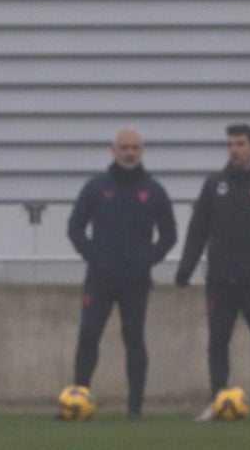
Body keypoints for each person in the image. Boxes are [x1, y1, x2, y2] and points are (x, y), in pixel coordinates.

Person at [176, 123, 250, 423]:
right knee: (217, 341)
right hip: (220, 281)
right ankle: (217, 399)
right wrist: (185, 268)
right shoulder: (215, 184)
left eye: (240, 143)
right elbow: (198, 229)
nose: (234, 150)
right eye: (230, 144)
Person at [66, 129, 177, 418]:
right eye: (124, 147)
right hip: (100, 278)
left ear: (142, 151)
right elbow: (75, 228)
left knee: (134, 338)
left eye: (135, 148)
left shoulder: (153, 190)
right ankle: (78, 400)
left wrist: (147, 260)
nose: (129, 153)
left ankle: (135, 408)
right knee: (89, 335)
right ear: (113, 150)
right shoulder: (96, 187)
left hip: (135, 281)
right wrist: (94, 256)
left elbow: (169, 235)